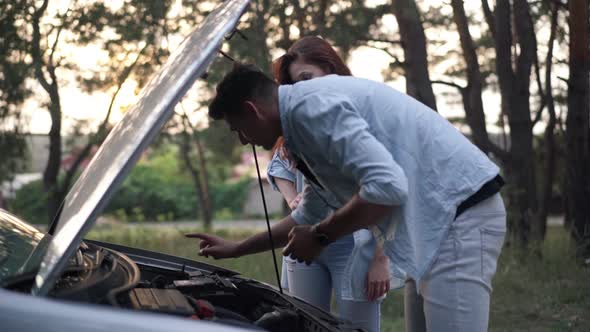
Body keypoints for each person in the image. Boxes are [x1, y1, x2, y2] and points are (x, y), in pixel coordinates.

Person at [198, 62, 506, 332]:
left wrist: (320, 237)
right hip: (437, 223)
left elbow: (387, 187)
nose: (242, 140)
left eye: (238, 129)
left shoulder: (312, 109)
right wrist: (238, 248)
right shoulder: (301, 123)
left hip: (460, 216)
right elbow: (308, 212)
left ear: (253, 111)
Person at [265, 36, 396, 331]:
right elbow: (278, 163)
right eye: (295, 85)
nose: (303, 89)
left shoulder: (361, 111)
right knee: (304, 325)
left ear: (330, 68)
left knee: (357, 328)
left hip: (354, 244)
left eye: (307, 77)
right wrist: (292, 197)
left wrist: (380, 258)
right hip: (303, 239)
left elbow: (386, 190)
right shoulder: (298, 119)